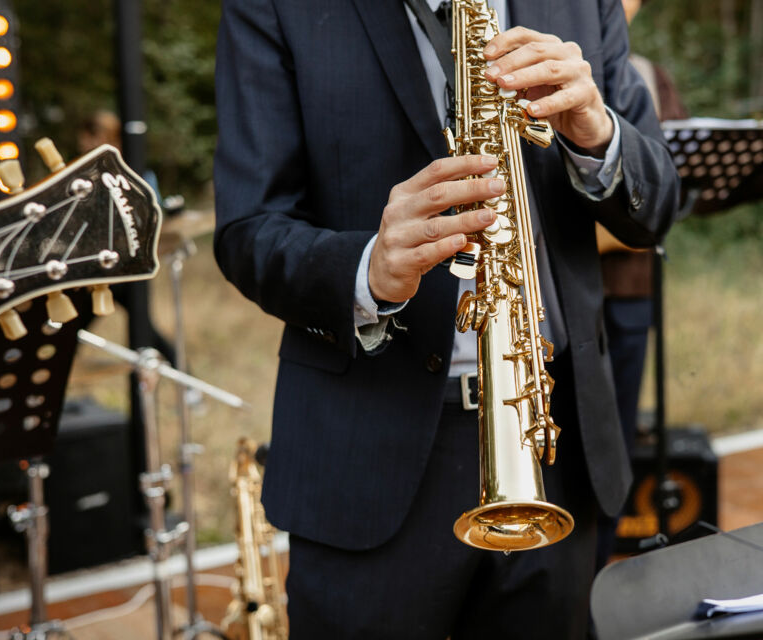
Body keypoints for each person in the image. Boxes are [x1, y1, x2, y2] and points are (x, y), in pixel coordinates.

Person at [214, 0, 681, 637]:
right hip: (368, 456)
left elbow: (656, 204)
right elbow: (248, 230)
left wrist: (596, 131)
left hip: (555, 444)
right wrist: (369, 268)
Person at [594, 0, 763, 570]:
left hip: (623, 298)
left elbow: (695, 186)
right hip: (530, 300)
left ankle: (586, 599)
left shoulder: (650, 79)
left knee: (605, 460)